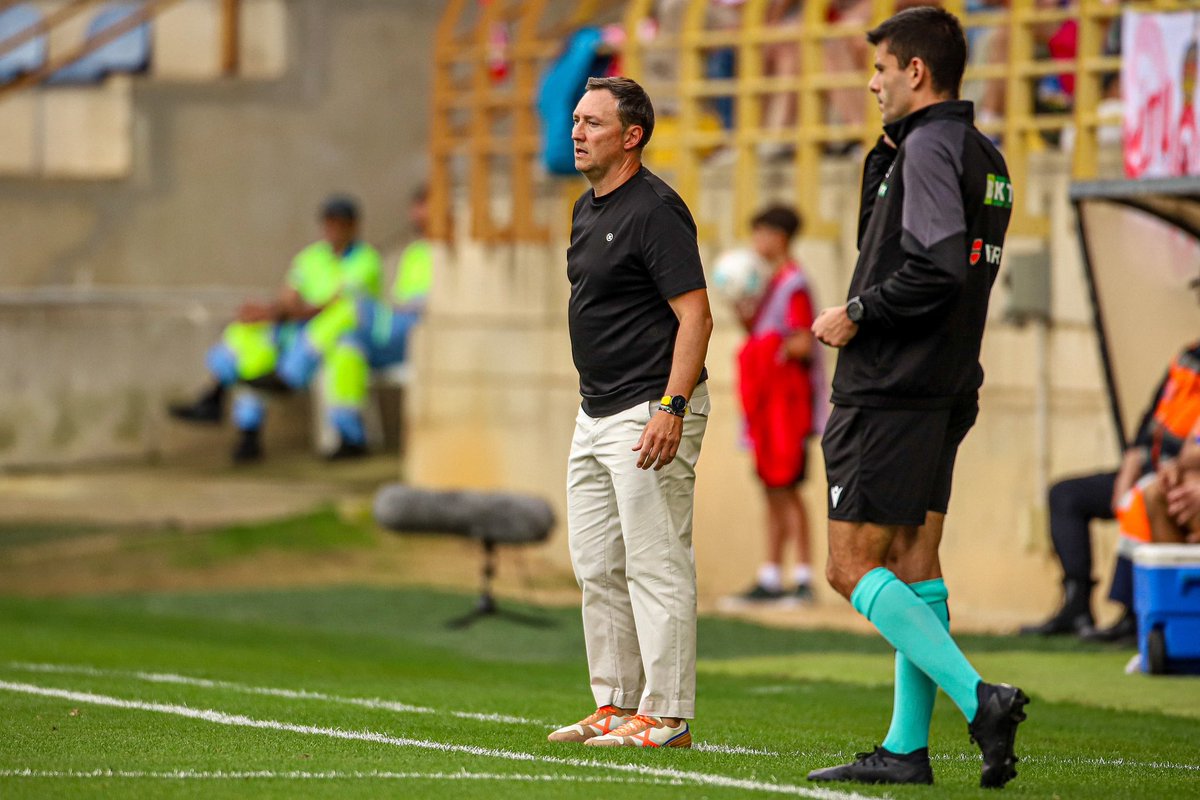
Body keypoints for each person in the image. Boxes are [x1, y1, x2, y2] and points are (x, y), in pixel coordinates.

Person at [808, 8, 1027, 788]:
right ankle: (906, 748)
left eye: (880, 69)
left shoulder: (932, 148)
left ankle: (981, 697)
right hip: (945, 382)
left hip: (891, 386)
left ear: (916, 73)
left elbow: (937, 268)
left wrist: (857, 312)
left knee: (848, 567)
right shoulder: (984, 153)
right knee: (912, 559)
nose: (871, 84)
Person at [547, 76, 713, 750]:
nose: (578, 132)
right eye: (577, 120)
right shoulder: (589, 207)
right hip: (595, 411)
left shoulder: (655, 209)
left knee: (655, 561)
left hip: (649, 407)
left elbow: (696, 316)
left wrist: (671, 408)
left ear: (632, 136)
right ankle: (615, 702)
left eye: (593, 123)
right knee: (596, 563)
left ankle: (667, 714)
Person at [169, 196, 383, 462]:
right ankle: (227, 409)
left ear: (353, 227)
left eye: (340, 224)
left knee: (340, 337)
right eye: (329, 223)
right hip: (301, 332)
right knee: (251, 344)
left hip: (340, 338)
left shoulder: (367, 260)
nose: (334, 229)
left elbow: (330, 307)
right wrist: (265, 314)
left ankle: (305, 393)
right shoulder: (311, 258)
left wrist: (277, 312)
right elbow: (289, 298)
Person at [1021, 341, 1200, 642]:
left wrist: (1184, 471)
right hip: (1158, 470)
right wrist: (1129, 467)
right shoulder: (1188, 356)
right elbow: (1150, 422)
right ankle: (1077, 603)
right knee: (1066, 495)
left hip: (1179, 480)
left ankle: (1139, 614)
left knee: (1145, 496)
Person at [275, 187, 434, 459]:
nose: (417, 214)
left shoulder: (367, 258)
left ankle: (290, 374)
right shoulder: (414, 252)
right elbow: (289, 295)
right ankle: (351, 437)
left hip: (402, 334)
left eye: (426, 206)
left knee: (348, 308)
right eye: (416, 206)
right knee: (345, 349)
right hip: (371, 332)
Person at [729, 204, 826, 605]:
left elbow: (803, 340)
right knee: (771, 487)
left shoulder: (795, 284)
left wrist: (773, 348)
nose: (757, 243)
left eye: (762, 234)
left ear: (779, 238)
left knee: (788, 489)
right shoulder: (772, 282)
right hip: (768, 408)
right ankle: (771, 574)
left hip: (788, 406)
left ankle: (803, 576)